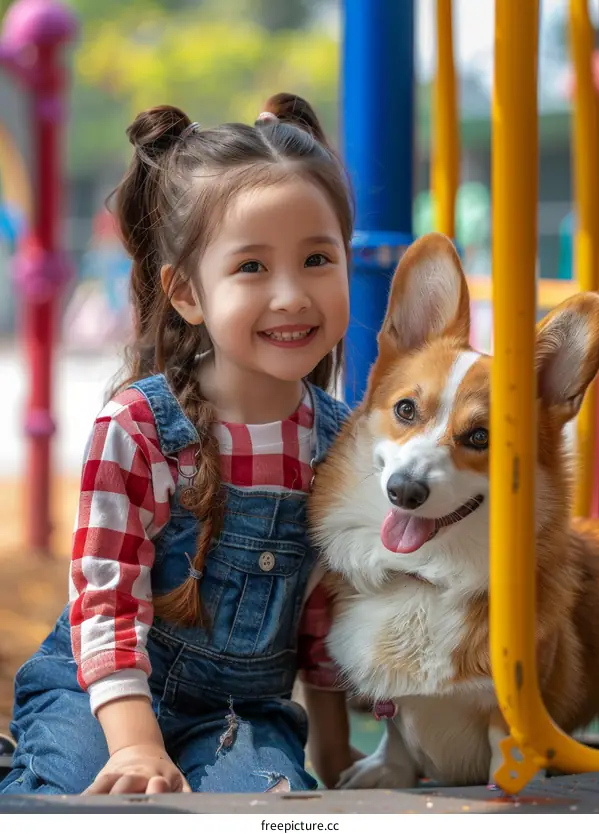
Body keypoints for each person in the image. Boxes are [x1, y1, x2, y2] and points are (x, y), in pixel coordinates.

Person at [0, 93, 359, 795]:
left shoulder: (340, 443)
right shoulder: (136, 427)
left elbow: (326, 621)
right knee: (79, 797)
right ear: (187, 292)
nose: (291, 295)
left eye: (318, 258)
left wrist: (346, 766)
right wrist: (135, 747)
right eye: (252, 267)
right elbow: (105, 599)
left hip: (239, 714)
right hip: (95, 693)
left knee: (266, 804)